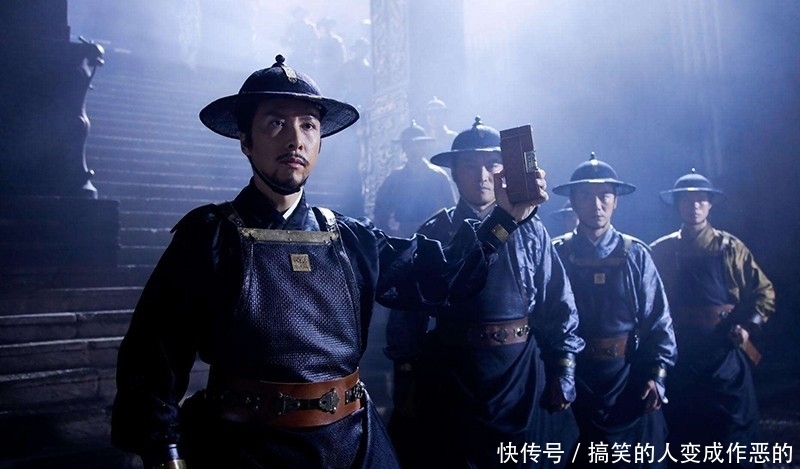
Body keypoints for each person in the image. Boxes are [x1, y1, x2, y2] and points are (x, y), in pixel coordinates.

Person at [109, 55, 546, 469]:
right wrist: (163, 451)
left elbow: (443, 275)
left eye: (308, 126)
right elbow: (153, 355)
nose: (295, 139)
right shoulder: (212, 236)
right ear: (245, 140)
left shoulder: (350, 238)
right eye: (276, 123)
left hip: (351, 442)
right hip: (245, 446)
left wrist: (505, 218)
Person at [384, 117, 584, 469]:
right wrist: (405, 374)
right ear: (454, 173)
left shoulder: (531, 229)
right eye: (469, 166)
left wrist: (564, 368)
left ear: (505, 171)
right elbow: (408, 310)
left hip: (519, 373)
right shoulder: (436, 230)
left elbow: (557, 301)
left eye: (492, 165)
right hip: (454, 370)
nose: (482, 176)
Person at [551, 154, 677, 468]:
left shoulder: (636, 255)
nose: (596, 204)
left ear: (615, 201)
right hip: (573, 379)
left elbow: (659, 321)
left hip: (627, 378)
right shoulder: (557, 254)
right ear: (573, 202)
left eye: (604, 195)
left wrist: (657, 375)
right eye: (586, 196)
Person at [650, 169, 775, 468]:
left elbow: (764, 292)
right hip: (680, 354)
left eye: (700, 200)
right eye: (687, 200)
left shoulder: (730, 248)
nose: (694, 206)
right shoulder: (661, 250)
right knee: (685, 431)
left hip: (723, 354)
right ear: (678, 205)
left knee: (733, 434)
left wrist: (749, 327)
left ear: (709, 205)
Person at [372, 120, 456, 238]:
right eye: (409, 145)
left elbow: (451, 208)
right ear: (404, 148)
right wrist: (390, 233)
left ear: (424, 147)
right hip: (404, 234)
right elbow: (381, 210)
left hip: (434, 235)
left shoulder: (438, 176)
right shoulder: (394, 178)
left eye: (418, 145)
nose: (414, 149)